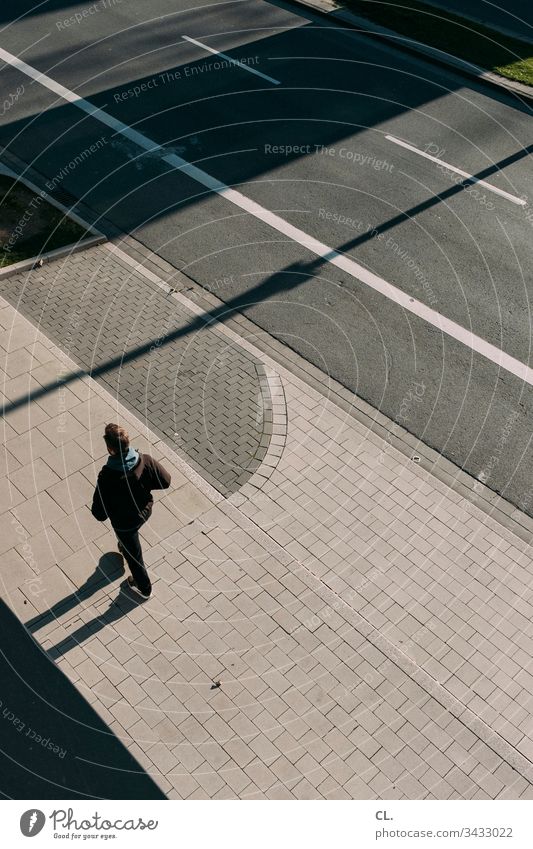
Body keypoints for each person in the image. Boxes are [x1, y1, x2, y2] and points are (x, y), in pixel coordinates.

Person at [91, 423, 171, 598]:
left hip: (125, 524)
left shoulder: (107, 477)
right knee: (129, 540)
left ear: (110, 449)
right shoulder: (145, 460)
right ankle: (124, 544)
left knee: (134, 558)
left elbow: (99, 513)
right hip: (145, 510)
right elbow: (166, 481)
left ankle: (144, 588)